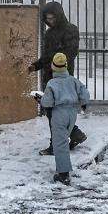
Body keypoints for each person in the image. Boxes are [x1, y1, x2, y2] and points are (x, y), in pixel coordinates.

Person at [27, 1, 87, 155]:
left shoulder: (70, 30)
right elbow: (47, 56)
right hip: (49, 77)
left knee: (56, 113)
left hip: (63, 77)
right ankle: (75, 134)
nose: (50, 22)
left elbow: (70, 53)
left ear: (59, 16)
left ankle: (56, 145)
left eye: (53, 18)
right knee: (53, 112)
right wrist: (37, 65)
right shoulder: (49, 33)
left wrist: (53, 59)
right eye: (48, 19)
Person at [39, 52, 90, 185]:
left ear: (53, 67)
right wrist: (83, 103)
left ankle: (63, 174)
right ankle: (62, 168)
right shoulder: (73, 80)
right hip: (72, 113)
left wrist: (41, 100)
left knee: (60, 144)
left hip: (59, 113)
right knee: (64, 138)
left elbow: (47, 102)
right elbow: (84, 93)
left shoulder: (52, 83)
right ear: (66, 66)